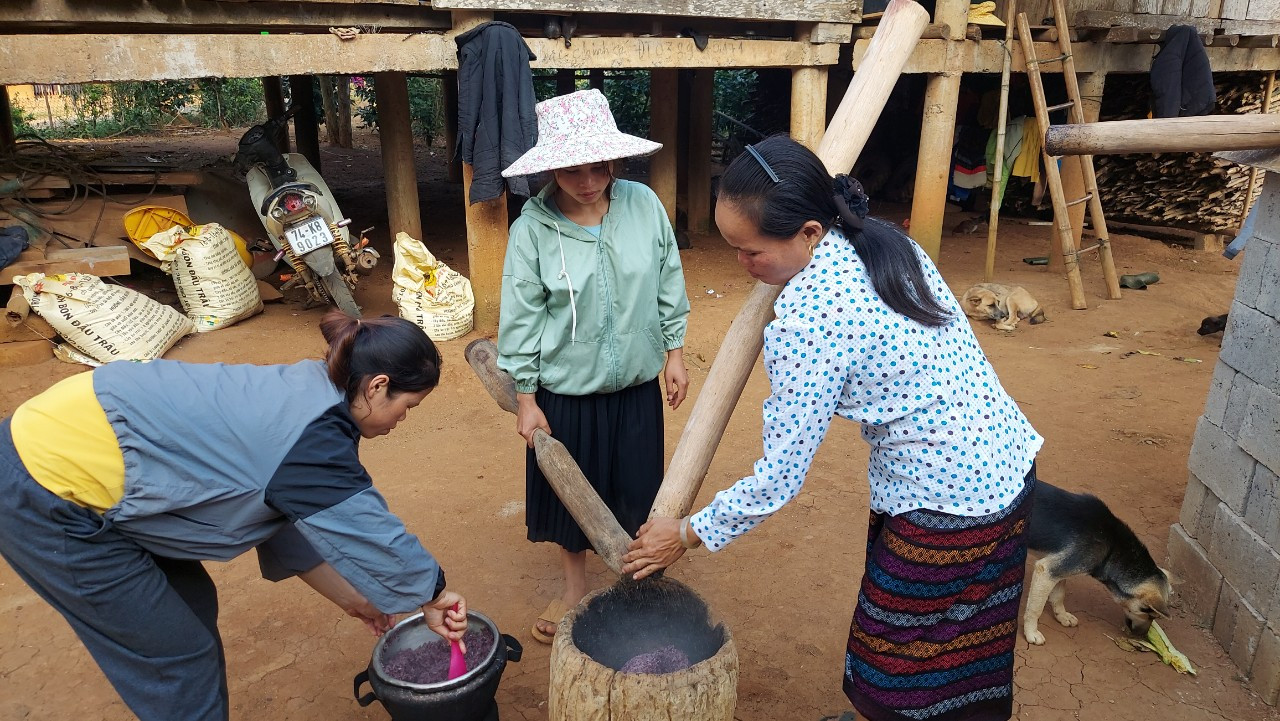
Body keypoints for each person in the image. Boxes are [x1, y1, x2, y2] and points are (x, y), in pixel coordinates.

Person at [623, 136, 1042, 721]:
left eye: (751, 253)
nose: (742, 268)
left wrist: (688, 532)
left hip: (947, 504)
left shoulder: (808, 321)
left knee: (897, 662)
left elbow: (779, 478)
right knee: (966, 645)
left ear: (810, 232)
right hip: (1007, 466)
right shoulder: (884, 240)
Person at [0, 311, 468, 721]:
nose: (402, 420)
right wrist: (433, 594)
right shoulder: (309, 444)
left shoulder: (309, 393)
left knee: (190, 607)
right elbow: (370, 532)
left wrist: (355, 599)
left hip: (93, 441)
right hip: (46, 485)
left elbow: (281, 513)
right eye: (409, 408)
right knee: (177, 658)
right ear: (378, 386)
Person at [497, 88, 691, 643]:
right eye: (572, 170)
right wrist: (527, 399)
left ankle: (636, 586)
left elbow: (667, 278)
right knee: (571, 500)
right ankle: (575, 591)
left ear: (615, 162)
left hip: (634, 384)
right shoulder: (532, 230)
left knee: (637, 489)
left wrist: (673, 353)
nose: (587, 181)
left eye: (599, 167)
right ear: (552, 168)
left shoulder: (643, 205)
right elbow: (522, 316)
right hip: (565, 392)